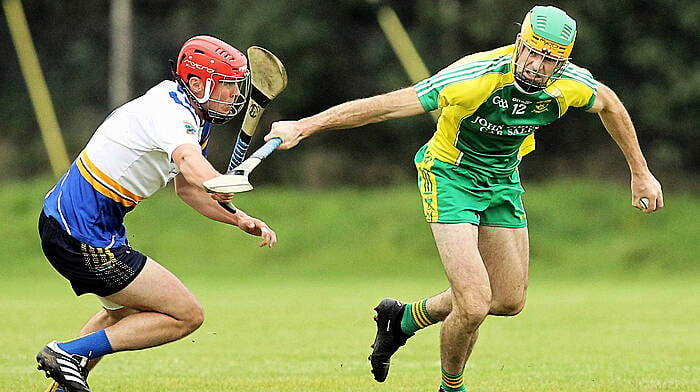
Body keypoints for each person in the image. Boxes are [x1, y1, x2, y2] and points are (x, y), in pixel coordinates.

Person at [266, 6, 663, 392]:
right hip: (450, 175)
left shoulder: (569, 85)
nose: (537, 67)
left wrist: (640, 171)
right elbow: (384, 108)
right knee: (473, 304)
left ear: (562, 64)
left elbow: (610, 103)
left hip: (503, 180)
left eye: (549, 61)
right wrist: (305, 125)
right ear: (518, 43)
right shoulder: (473, 77)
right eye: (532, 53)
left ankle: (402, 320)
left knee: (507, 300)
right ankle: (451, 388)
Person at [36, 35, 277, 392]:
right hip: (82, 233)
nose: (234, 95)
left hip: (77, 224)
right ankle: (67, 353)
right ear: (196, 83)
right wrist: (218, 180)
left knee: (120, 316)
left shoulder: (197, 116)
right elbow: (189, 163)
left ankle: (62, 379)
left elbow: (188, 188)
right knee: (186, 315)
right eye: (225, 85)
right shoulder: (171, 112)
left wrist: (236, 216)